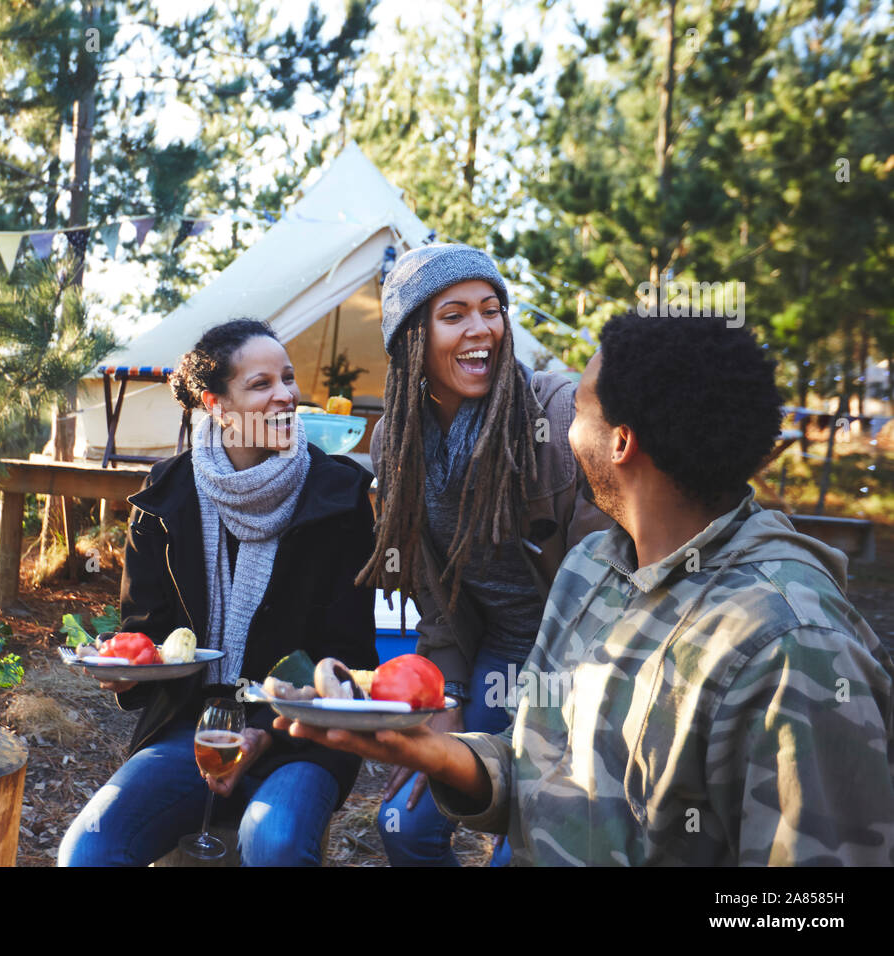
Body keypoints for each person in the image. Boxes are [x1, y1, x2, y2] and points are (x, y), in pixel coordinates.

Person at [280, 311, 894, 865]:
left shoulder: (792, 651)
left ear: (621, 443)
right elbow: (546, 766)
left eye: (575, 410)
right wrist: (438, 755)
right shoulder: (591, 568)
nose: (562, 429)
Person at [58, 318, 377, 867]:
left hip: (302, 734)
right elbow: (148, 635)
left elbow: (347, 655)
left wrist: (263, 732)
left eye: (287, 378)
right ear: (217, 405)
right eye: (261, 385)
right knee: (89, 849)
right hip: (192, 728)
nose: (286, 396)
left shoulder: (338, 497)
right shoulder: (165, 497)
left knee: (273, 842)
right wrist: (124, 664)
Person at [361, 243, 609, 866]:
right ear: (411, 338)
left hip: (584, 659)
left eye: (491, 309)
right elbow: (433, 594)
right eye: (454, 315)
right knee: (405, 822)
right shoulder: (397, 440)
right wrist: (446, 700)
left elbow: (611, 579)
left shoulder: (560, 412)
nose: (481, 330)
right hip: (494, 653)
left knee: (524, 846)